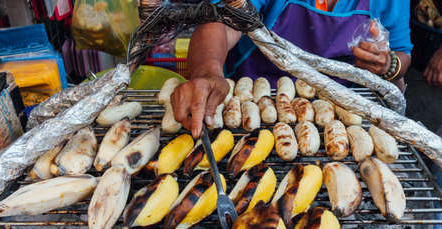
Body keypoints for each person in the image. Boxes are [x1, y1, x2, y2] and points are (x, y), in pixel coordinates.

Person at [171, 0, 413, 138]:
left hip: (338, 112)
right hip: (249, 106)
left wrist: (388, 64)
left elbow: (402, 53)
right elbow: (222, 22)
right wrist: (207, 73)